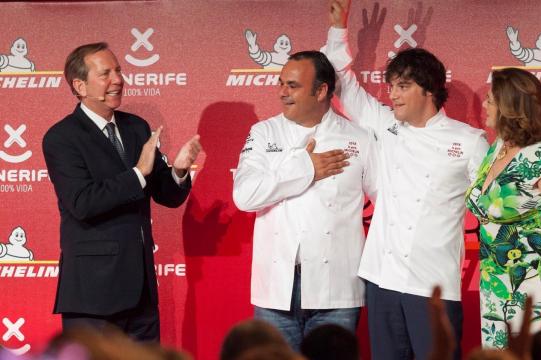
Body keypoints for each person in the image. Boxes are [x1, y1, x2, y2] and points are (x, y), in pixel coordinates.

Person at [323, 2, 489, 359]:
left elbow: (493, 205)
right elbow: (342, 83)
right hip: (382, 277)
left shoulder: (469, 141)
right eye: (391, 86)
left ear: (429, 90)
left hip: (434, 283)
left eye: (402, 86)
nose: (392, 94)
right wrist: (339, 28)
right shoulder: (385, 123)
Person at [42, 42, 201, 341]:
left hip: (141, 292)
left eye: (118, 70)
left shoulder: (136, 128)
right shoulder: (61, 138)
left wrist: (179, 171)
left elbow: (165, 194)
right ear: (80, 85)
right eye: (106, 73)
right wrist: (138, 173)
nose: (118, 79)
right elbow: (82, 202)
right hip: (93, 296)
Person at [232, 50, 377, 350]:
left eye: (293, 86)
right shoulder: (263, 133)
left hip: (337, 288)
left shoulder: (359, 139)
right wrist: (306, 168)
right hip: (276, 290)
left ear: (322, 90)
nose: (282, 93)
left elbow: (387, 203)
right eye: (281, 83)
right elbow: (245, 196)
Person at [465, 67, 541, 348]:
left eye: (490, 100)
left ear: (509, 108)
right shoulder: (499, 146)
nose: (483, 105)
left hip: (539, 281)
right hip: (496, 281)